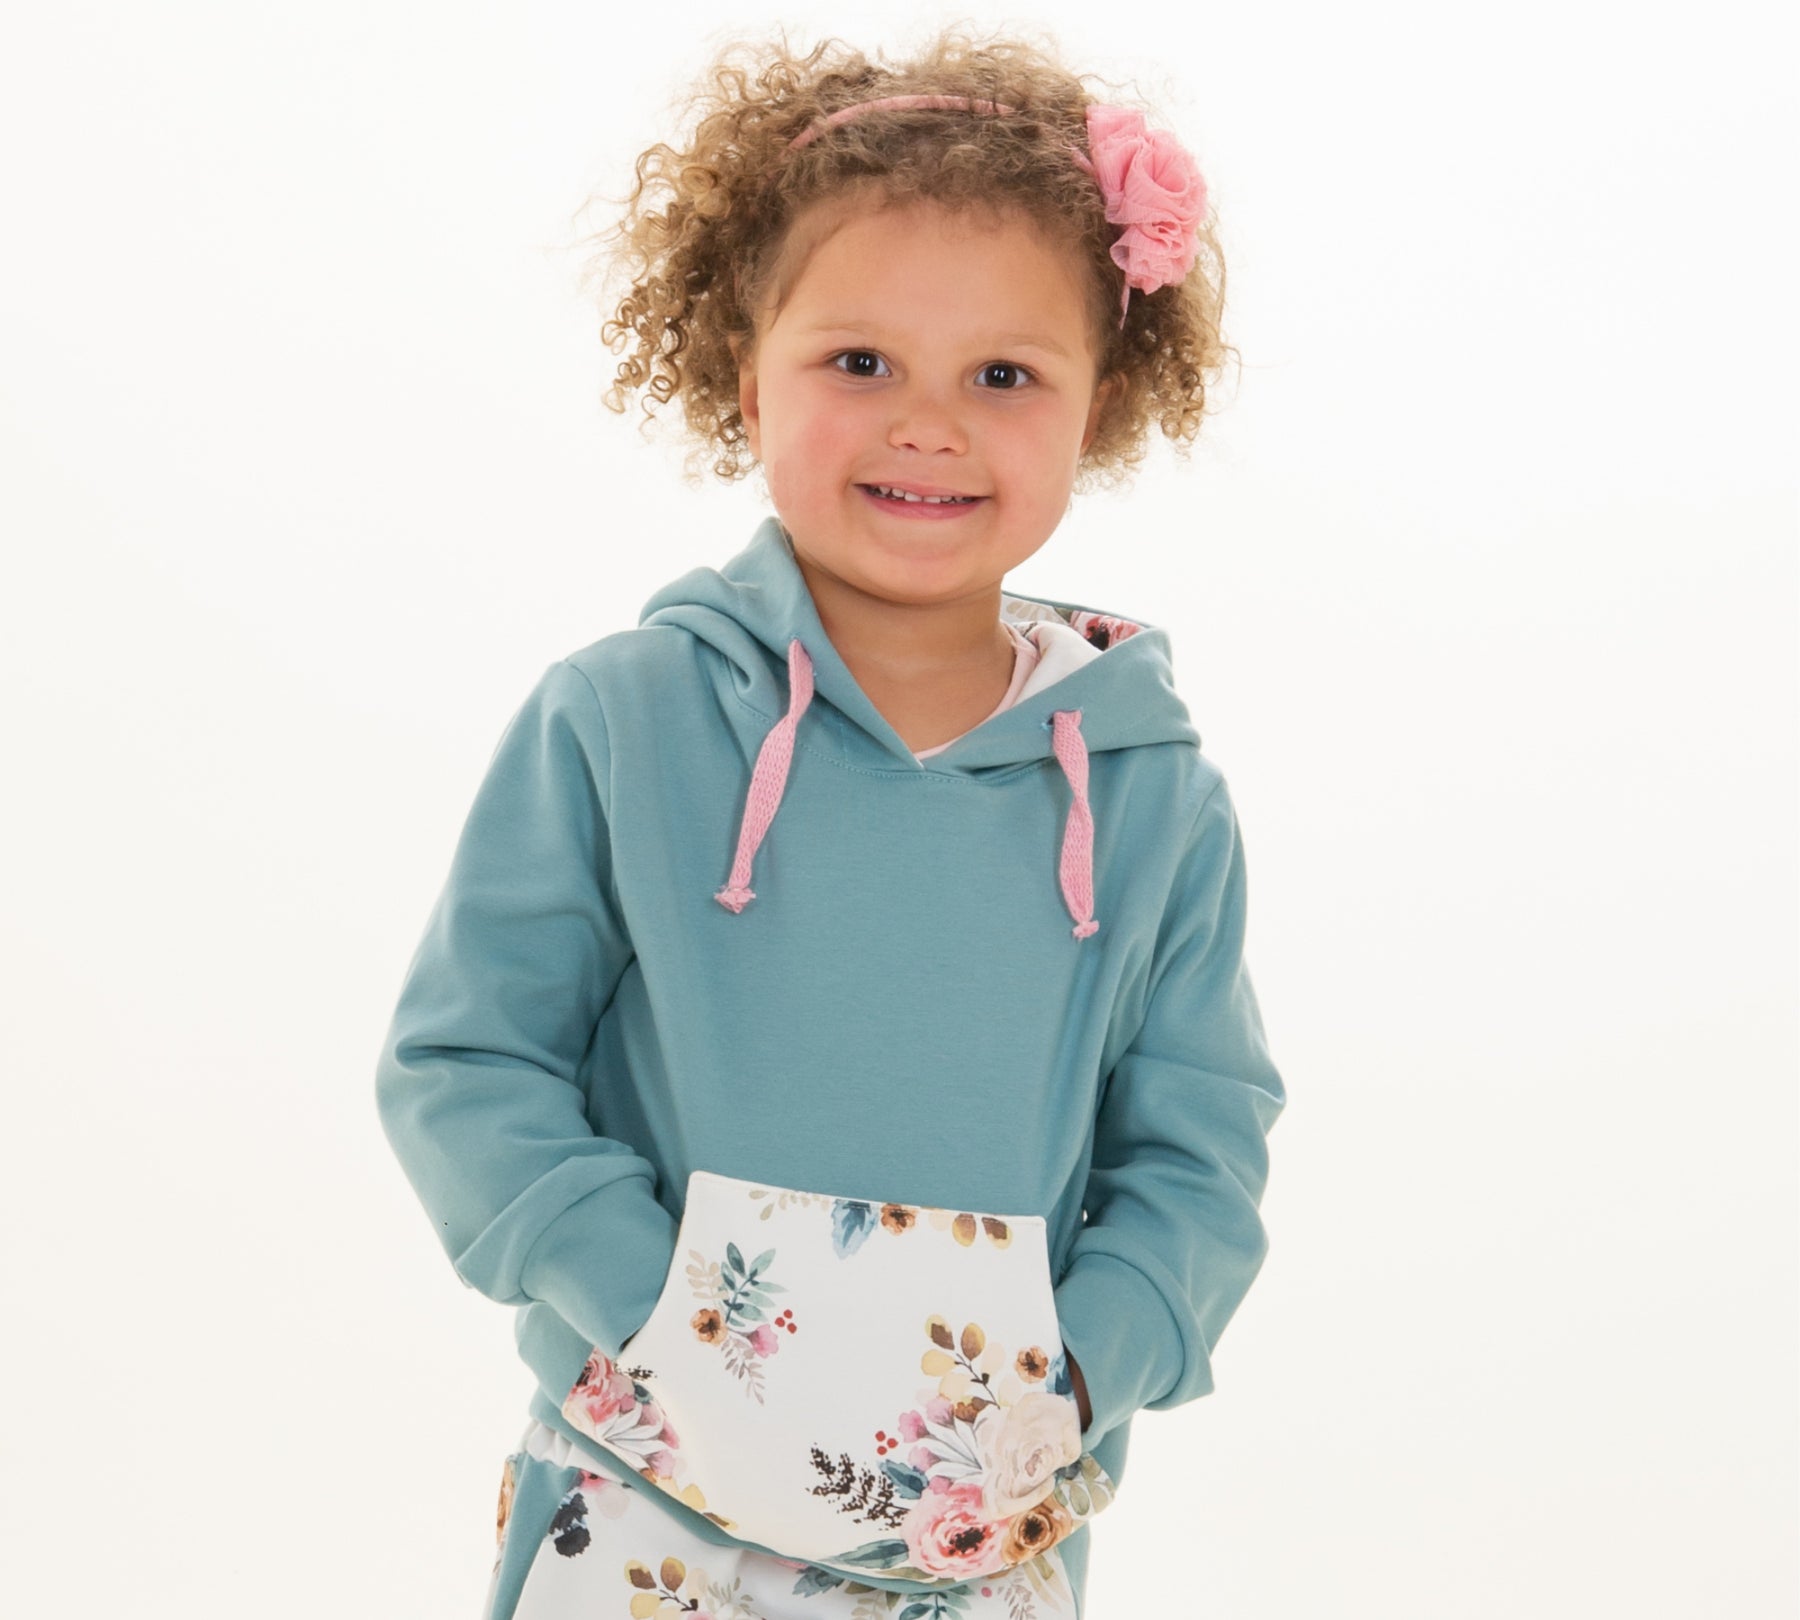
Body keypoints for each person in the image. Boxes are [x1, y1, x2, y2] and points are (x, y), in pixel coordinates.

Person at [376, 29, 1287, 1620]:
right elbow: (465, 1065)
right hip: (641, 1493)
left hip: (983, 1517)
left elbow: (1199, 1151)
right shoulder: (622, 720)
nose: (927, 423)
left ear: (1100, 406)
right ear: (748, 380)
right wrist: (655, 1316)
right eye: (859, 362)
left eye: (1003, 375)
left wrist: (1081, 1374)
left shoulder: (1154, 797)